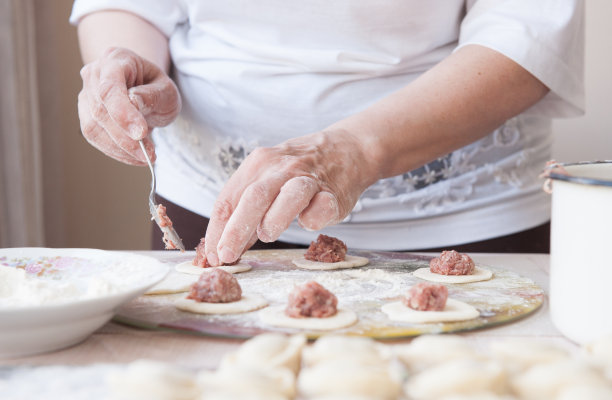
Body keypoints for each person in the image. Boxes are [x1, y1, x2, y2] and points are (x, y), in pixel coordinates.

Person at [70, 1, 584, 263]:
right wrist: (128, 63)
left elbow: (527, 27)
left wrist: (357, 149)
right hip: (213, 215)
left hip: (465, 224)